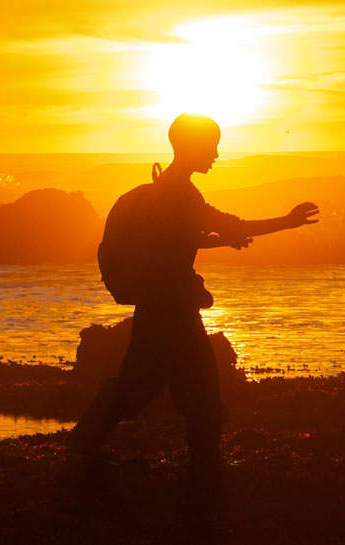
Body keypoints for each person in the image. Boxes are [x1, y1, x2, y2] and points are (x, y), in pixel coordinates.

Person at [67, 113, 318, 504]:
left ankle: (88, 447)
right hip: (171, 309)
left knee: (151, 386)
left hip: (162, 305)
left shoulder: (166, 192)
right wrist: (286, 222)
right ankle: (200, 473)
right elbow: (228, 224)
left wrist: (221, 240)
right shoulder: (180, 194)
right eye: (211, 145)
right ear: (189, 147)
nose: (217, 154)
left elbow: (180, 239)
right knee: (190, 391)